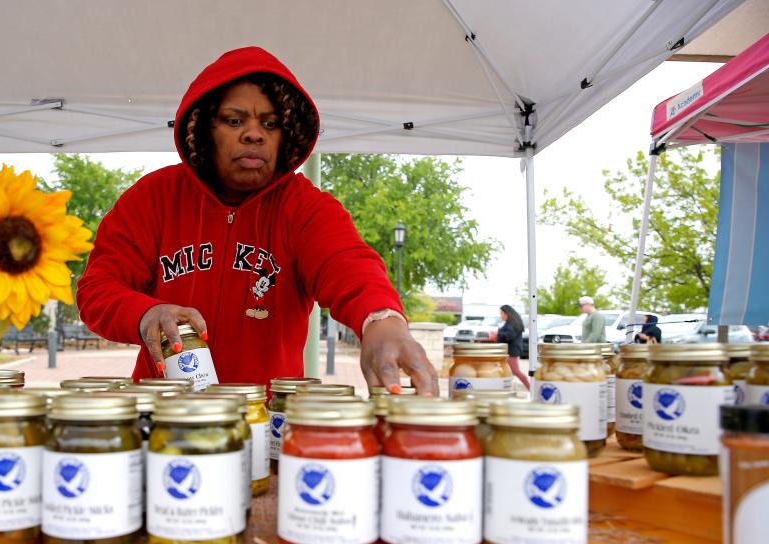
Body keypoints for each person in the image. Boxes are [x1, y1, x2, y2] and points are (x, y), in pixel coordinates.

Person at [77, 47, 437, 394]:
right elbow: (98, 289)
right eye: (234, 121)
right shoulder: (153, 197)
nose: (254, 133)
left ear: (287, 135)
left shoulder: (306, 207)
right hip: (165, 416)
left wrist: (382, 321)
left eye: (271, 123)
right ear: (204, 129)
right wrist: (146, 313)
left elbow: (348, 264)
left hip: (267, 423)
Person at [496, 305, 530, 390]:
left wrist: (497, 334)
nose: (501, 315)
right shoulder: (510, 322)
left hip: (512, 351)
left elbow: (508, 336)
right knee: (508, 371)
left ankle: (530, 388)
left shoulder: (512, 323)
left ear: (507, 313)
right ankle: (507, 388)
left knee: (515, 371)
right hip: (510, 350)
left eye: (501, 313)